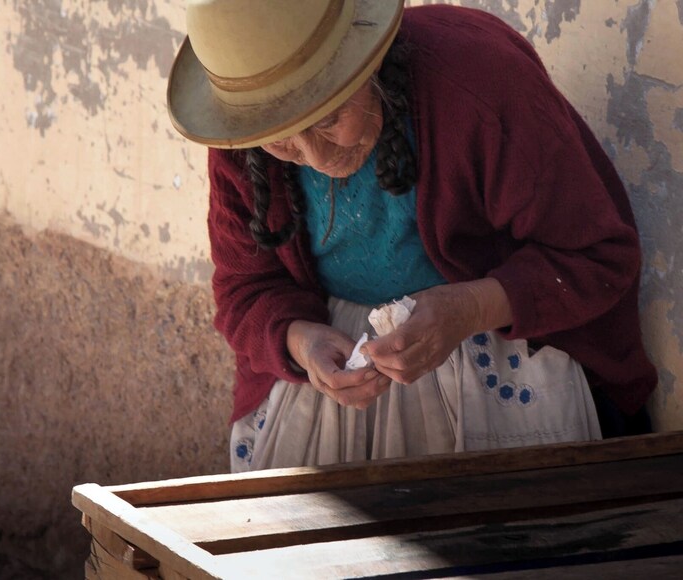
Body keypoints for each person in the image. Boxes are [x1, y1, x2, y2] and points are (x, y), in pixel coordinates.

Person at [166, 0, 657, 472]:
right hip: (335, 383)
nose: (314, 157)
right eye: (283, 137)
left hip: (495, 358)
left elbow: (598, 258)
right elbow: (243, 289)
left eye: (330, 118)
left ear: (368, 63)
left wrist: (469, 309)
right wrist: (302, 342)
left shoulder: (481, 82)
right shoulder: (249, 132)